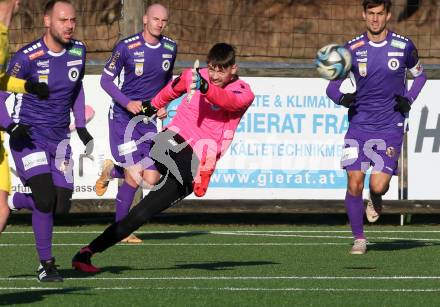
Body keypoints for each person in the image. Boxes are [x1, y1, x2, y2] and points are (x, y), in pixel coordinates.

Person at [72, 42, 255, 273]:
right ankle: (200, 173)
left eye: (221, 70)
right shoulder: (193, 76)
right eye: (212, 68)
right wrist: (152, 107)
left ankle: (86, 252)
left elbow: (229, 102)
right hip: (173, 138)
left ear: (233, 69)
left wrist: (206, 87)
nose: (216, 74)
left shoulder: (243, 91)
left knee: (142, 213)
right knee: (150, 170)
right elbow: (170, 91)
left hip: (200, 154)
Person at [0, 0, 93, 281]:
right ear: (47, 21)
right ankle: (46, 264)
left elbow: (77, 88)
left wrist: (81, 125)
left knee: (60, 205)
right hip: (29, 136)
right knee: (44, 197)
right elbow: (1, 93)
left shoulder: (79, 50)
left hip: (60, 139)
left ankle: (14, 200)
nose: (69, 26)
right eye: (63, 20)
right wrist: (10, 125)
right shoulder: (26, 57)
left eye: (72, 20)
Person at [326, 0, 426, 254]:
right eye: (370, 14)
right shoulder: (351, 49)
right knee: (354, 183)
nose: (375, 19)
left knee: (378, 185)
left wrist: (409, 99)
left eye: (380, 14)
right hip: (359, 125)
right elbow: (331, 87)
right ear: (363, 15)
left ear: (388, 16)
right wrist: (343, 98)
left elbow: (421, 75)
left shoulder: (404, 46)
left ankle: (377, 198)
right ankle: (359, 238)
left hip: (391, 124)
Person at [94, 3, 175, 244]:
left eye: (164, 20)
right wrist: (127, 102)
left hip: (147, 121)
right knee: (135, 173)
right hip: (122, 119)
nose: (159, 24)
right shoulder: (126, 47)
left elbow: (167, 82)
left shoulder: (170, 48)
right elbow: (105, 81)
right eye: (155, 19)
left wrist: (164, 104)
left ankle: (111, 170)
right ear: (145, 20)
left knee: (151, 178)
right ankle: (122, 230)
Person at [0, 0, 49, 233]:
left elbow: (1, 82)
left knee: (2, 208)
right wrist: (10, 125)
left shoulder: (3, 34)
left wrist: (28, 87)